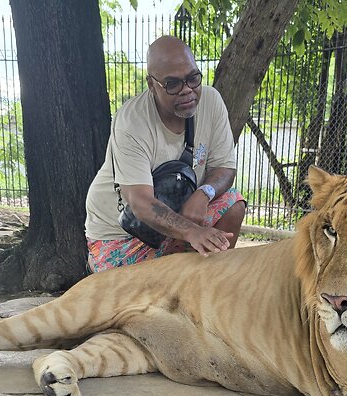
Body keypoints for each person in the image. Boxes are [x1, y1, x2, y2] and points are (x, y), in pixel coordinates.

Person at [84, 36, 247, 272]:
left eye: (193, 78)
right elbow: (140, 202)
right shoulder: (132, 122)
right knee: (141, 296)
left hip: (178, 220)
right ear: (152, 85)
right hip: (121, 235)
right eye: (172, 84)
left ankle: (204, 283)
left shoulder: (211, 101)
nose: (187, 90)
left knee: (232, 203)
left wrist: (204, 193)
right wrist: (192, 232)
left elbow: (225, 167)